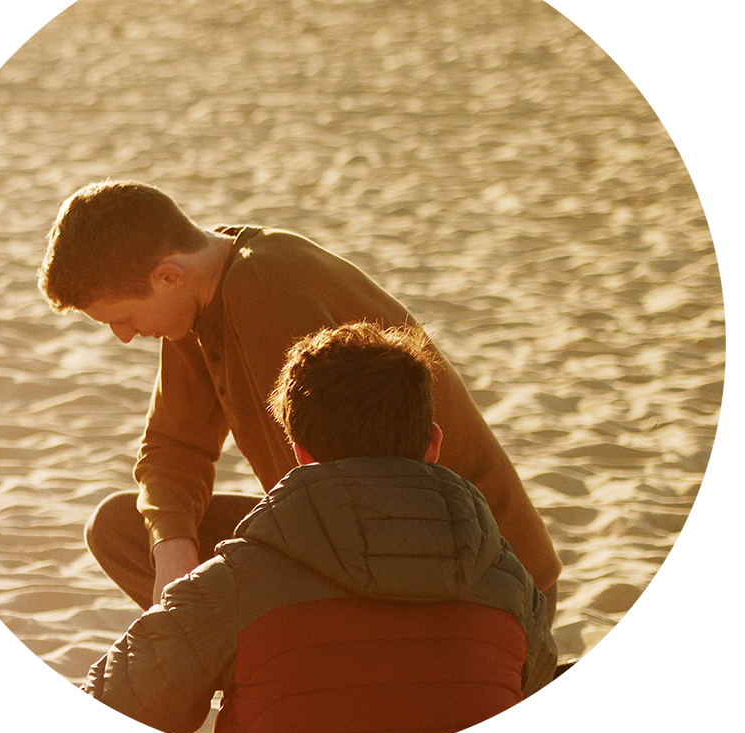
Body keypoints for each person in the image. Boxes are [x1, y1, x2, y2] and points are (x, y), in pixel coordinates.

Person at [38, 180, 561, 617]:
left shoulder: (268, 288)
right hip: (342, 536)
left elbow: (358, 485)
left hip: (474, 571)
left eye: (121, 318)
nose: (123, 337)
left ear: (168, 276)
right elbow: (174, 448)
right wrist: (173, 550)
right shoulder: (195, 304)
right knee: (123, 530)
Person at [83, 322, 557, 733]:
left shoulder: (235, 584)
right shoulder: (511, 587)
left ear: (300, 455)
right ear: (433, 445)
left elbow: (111, 713)